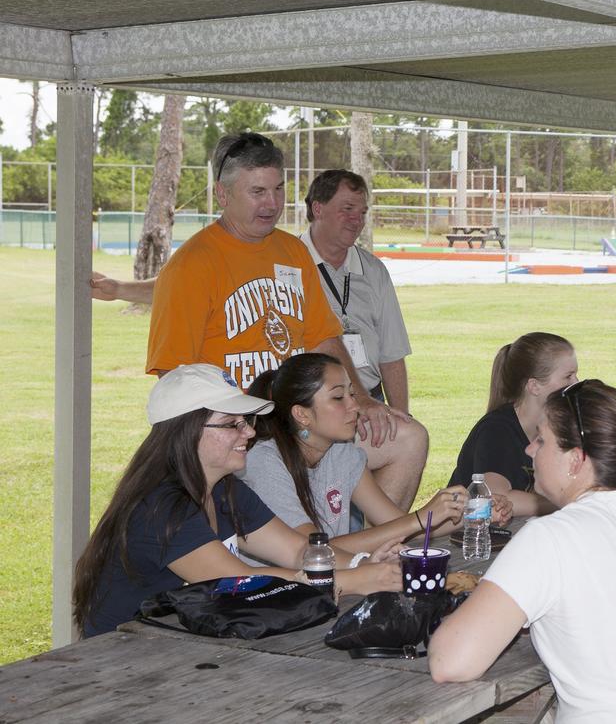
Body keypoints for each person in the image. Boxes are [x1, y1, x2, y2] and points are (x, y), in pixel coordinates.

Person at [94, 151, 429, 511]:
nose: (272, 203)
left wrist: (361, 399)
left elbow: (323, 338)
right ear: (224, 195)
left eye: (278, 189)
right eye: (258, 191)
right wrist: (230, 433)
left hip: (299, 421)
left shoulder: (293, 252)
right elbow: (175, 380)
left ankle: (373, 554)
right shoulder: (192, 264)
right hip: (240, 432)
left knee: (408, 439)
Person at [430, 380, 616, 722]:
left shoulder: (548, 539)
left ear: (576, 460)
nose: (530, 450)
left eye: (541, 440)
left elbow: (450, 662)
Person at [72, 364, 401, 638]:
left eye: (247, 422)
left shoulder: (225, 490)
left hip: (183, 638)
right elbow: (241, 584)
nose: (249, 433)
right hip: (124, 656)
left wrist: (362, 564)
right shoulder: (161, 508)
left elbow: (300, 551)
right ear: (187, 431)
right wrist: (359, 579)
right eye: (232, 424)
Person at [240, 353, 509, 554]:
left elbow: (397, 525)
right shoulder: (265, 463)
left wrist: (474, 512)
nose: (354, 407)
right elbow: (312, 552)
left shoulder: (342, 453)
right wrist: (420, 518)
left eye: (353, 394)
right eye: (338, 397)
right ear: (302, 414)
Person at [448, 333, 577, 517]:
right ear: (534, 386)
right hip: (468, 538)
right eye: (568, 376)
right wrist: (569, 500)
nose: (576, 383)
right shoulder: (497, 431)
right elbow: (496, 500)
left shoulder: (560, 425)